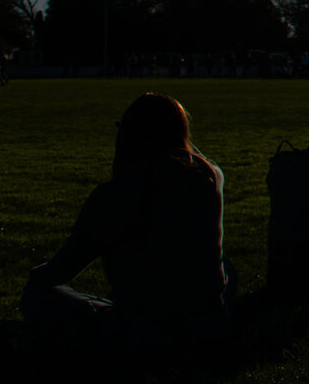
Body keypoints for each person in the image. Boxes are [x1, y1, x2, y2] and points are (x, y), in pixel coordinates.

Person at [18, 93, 233, 362]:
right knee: (224, 268)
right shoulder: (211, 178)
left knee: (38, 296)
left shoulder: (117, 195)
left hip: (143, 335)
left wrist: (35, 276)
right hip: (209, 325)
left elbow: (60, 270)